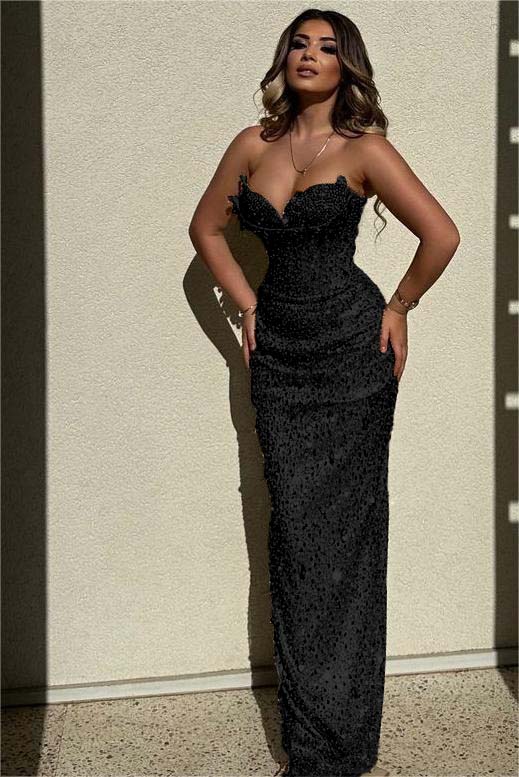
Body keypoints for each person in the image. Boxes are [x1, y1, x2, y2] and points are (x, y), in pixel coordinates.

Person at [188, 8, 460, 777]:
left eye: (327, 47)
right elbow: (205, 229)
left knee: (347, 540)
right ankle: (310, 732)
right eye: (299, 44)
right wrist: (247, 304)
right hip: (280, 358)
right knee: (296, 539)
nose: (310, 55)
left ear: (348, 66)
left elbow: (441, 234)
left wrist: (397, 307)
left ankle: (333, 749)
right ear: (285, 59)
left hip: (350, 352)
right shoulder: (253, 144)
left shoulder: (364, 148)